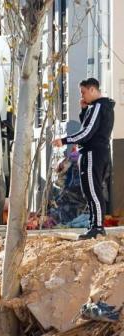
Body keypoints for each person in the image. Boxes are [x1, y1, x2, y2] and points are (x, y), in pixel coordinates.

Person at [54, 77, 116, 239]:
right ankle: (94, 225)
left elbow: (87, 133)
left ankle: (97, 227)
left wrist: (64, 140)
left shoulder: (98, 106)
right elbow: (88, 127)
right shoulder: (96, 107)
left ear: (92, 90)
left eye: (83, 92)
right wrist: (83, 111)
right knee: (89, 191)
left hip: (92, 154)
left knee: (93, 191)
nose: (82, 96)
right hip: (94, 153)